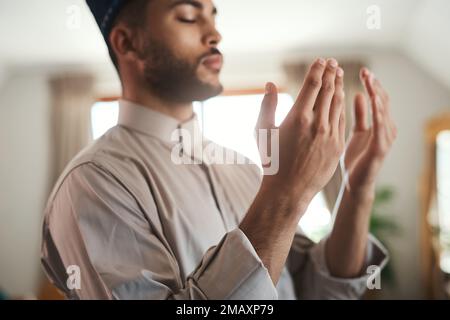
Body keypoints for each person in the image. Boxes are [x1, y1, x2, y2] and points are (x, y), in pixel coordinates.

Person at [41, 0, 396, 299]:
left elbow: (314, 289)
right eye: (188, 16)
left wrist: (357, 187)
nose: (215, 35)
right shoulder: (92, 184)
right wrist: (286, 193)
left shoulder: (245, 170)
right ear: (127, 42)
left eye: (213, 16)